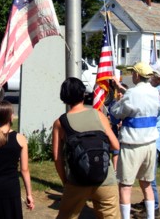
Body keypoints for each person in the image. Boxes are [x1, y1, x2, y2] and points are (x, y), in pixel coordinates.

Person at [52, 77, 120, 218]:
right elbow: (115, 145)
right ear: (83, 94)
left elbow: (57, 158)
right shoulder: (98, 115)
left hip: (78, 179)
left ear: (64, 97)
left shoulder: (60, 122)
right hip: (105, 178)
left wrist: (66, 181)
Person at [110, 62, 160, 219]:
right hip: (150, 144)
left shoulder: (132, 93)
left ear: (137, 75)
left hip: (132, 145)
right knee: (147, 183)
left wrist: (115, 101)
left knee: (125, 186)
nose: (132, 75)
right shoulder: (155, 92)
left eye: (133, 73)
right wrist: (121, 89)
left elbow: (117, 112)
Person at [0, 100, 35, 219]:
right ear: (11, 117)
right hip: (11, 187)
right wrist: (29, 194)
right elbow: (24, 170)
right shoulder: (20, 139)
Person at [132, 62, 160, 219]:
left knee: (149, 177)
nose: (149, 76)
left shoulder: (157, 94)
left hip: (154, 138)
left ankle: (154, 207)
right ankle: (148, 201)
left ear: (158, 78)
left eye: (152, 74)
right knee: (145, 176)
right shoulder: (154, 91)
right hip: (151, 136)